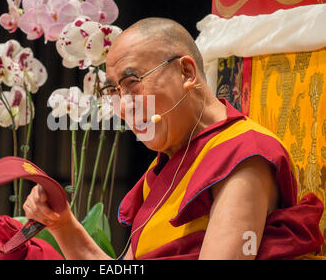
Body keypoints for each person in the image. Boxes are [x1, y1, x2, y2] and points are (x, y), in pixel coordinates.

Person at [23, 18, 324, 260]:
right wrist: (62, 224)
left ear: (186, 71)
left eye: (132, 83)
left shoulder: (243, 153)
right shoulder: (168, 165)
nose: (124, 108)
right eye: (115, 91)